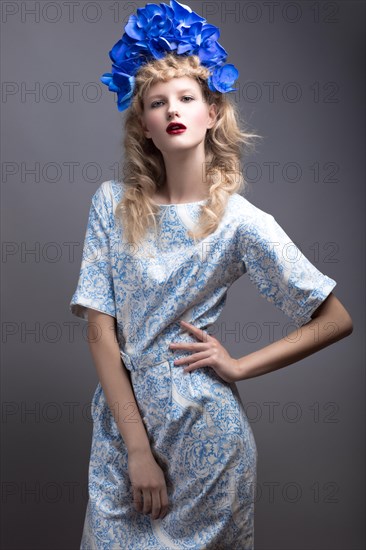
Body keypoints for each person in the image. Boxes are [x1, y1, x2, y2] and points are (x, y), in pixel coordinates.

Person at [69, 1, 353, 548]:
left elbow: (334, 319)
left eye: (186, 97)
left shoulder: (240, 222)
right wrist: (135, 449)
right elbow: (100, 331)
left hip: (207, 437)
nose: (172, 109)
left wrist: (240, 366)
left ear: (211, 112)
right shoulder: (111, 205)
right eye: (157, 102)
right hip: (122, 432)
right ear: (145, 126)